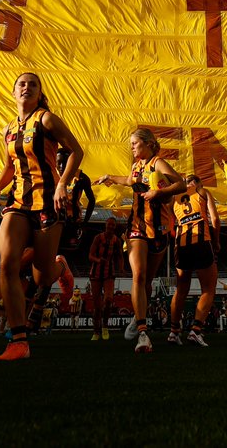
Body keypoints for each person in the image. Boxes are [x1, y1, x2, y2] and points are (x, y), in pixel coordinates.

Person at [0, 72, 83, 361]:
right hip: (17, 202)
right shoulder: (7, 129)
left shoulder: (47, 119)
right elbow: (9, 166)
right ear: (13, 92)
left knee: (42, 275)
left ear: (39, 93)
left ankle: (60, 268)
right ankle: (19, 340)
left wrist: (63, 183)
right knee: (7, 264)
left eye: (33, 84)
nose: (26, 87)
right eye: (22, 84)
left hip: (48, 201)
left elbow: (76, 151)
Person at [96, 127, 187, 353]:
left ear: (148, 144)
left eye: (135, 143)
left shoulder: (158, 163)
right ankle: (143, 332)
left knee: (147, 281)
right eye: (131, 144)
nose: (132, 147)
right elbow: (129, 180)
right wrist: (110, 178)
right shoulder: (136, 166)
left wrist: (158, 193)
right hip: (137, 226)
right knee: (138, 275)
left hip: (159, 228)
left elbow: (181, 184)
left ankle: (139, 315)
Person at [168, 175, 220, 348]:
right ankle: (196, 330)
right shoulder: (202, 192)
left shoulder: (174, 197)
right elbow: (215, 219)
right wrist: (216, 241)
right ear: (198, 183)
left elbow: (170, 223)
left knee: (181, 289)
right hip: (201, 241)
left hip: (181, 244)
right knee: (209, 289)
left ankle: (174, 332)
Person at [87, 217, 124, 340]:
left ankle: (105, 326)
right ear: (106, 225)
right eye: (109, 224)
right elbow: (90, 256)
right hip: (96, 273)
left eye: (113, 225)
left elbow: (120, 255)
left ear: (115, 227)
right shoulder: (98, 238)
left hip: (109, 273)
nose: (111, 227)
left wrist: (121, 268)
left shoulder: (116, 240)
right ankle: (96, 331)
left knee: (108, 300)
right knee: (97, 306)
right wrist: (98, 260)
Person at [57, 147, 95, 249]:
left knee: (71, 251)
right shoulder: (51, 174)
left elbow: (92, 200)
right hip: (55, 221)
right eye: (59, 163)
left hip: (73, 222)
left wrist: (85, 222)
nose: (61, 166)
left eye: (65, 163)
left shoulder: (81, 178)